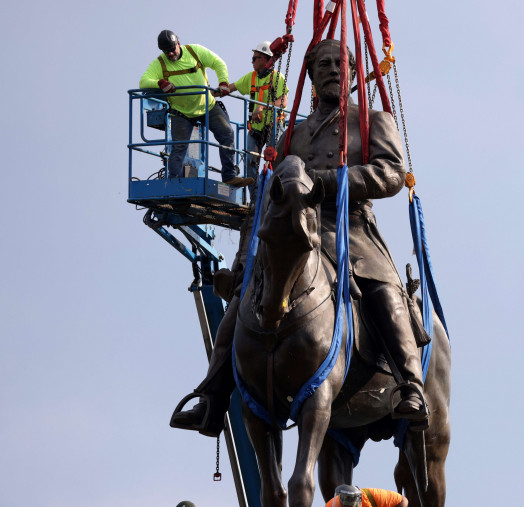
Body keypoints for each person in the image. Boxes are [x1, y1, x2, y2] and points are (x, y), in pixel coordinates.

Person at [169, 39, 429, 438]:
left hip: (352, 230)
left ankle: (411, 386)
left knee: (384, 293)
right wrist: (243, 262)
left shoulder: (373, 122)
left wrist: (326, 183)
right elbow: (265, 199)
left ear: (354, 73)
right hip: (296, 231)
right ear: (309, 75)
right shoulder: (293, 134)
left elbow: (392, 174)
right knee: (244, 299)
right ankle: (212, 396)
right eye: (323, 64)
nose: (331, 70)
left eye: (339, 64)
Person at [139, 30, 253, 187]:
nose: (170, 53)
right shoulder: (160, 63)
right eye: (166, 51)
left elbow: (218, 63)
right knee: (179, 147)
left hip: (207, 106)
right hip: (181, 112)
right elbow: (143, 81)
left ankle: (229, 176)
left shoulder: (195, 51)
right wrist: (160, 83)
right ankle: (173, 185)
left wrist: (223, 82)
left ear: (178, 43)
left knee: (227, 133)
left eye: (172, 49)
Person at [221, 41, 289, 181]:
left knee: (273, 161)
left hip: (273, 126)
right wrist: (212, 91)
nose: (251, 61)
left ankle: (272, 194)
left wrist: (262, 106)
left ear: (264, 59)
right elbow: (231, 87)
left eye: (254, 58)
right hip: (256, 129)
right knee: (249, 161)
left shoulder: (277, 78)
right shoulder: (252, 77)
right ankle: (254, 197)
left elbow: (283, 102)